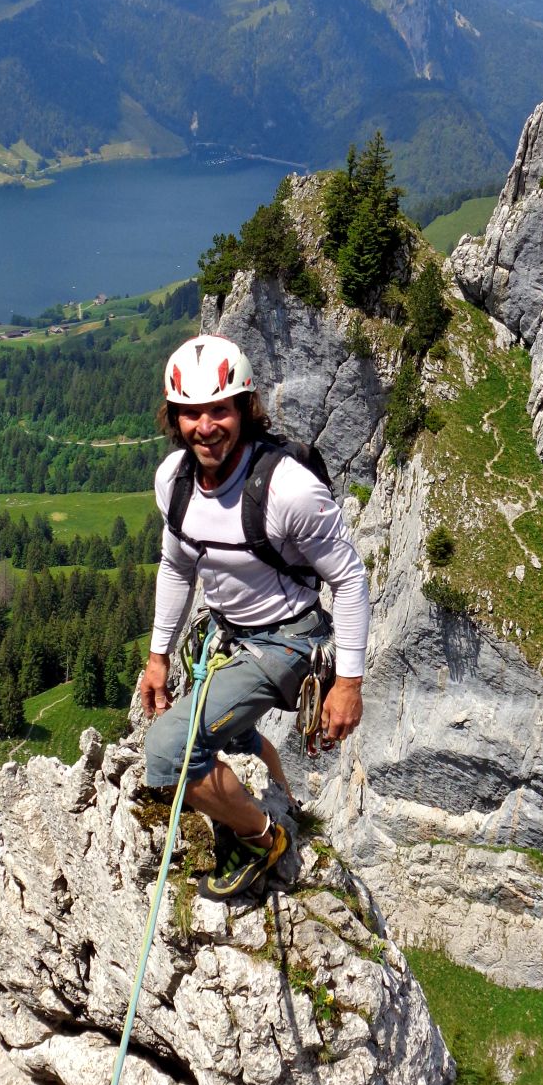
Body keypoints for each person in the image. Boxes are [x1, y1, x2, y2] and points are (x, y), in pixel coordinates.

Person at [140, 333, 370, 898]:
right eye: (191, 413)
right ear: (174, 418)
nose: (205, 426)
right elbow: (177, 567)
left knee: (169, 748)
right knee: (225, 732)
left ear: (245, 408)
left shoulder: (288, 490)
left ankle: (262, 838)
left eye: (219, 410)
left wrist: (348, 684)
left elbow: (348, 579)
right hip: (228, 633)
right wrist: (157, 656)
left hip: (288, 642)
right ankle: (284, 798)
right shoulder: (173, 481)